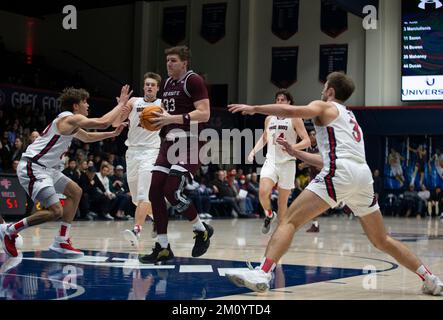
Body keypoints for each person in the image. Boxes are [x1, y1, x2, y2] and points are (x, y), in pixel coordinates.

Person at [225, 72, 443, 296]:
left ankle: (263, 273)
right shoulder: (349, 117)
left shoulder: (324, 106)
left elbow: (291, 111)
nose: (321, 91)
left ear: (330, 91)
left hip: (342, 173)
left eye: (325, 87)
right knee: (382, 239)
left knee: (288, 220)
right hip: (362, 176)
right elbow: (328, 158)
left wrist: (254, 108)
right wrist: (294, 152)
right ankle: (430, 279)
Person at [0, 85, 132, 257]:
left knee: (76, 192)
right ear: (75, 106)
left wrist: (112, 133)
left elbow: (88, 137)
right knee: (55, 211)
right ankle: (9, 230)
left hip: (47, 169)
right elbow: (102, 122)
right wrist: (121, 104)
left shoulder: (70, 124)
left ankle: (61, 240)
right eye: (85, 102)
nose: (88, 105)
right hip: (34, 167)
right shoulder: (68, 119)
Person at [138, 46, 213, 263]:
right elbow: (167, 114)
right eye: (167, 60)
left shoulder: (194, 80)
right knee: (154, 190)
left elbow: (204, 113)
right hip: (169, 142)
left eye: (173, 60)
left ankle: (201, 230)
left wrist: (170, 119)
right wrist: (152, 122)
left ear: (184, 62)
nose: (168, 64)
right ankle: (162, 247)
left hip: (192, 142)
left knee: (171, 190)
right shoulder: (169, 83)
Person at [248, 89, 310, 234]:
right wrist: (253, 151)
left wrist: (292, 147)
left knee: (282, 203)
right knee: (263, 192)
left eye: (283, 100)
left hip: (287, 163)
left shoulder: (295, 118)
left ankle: (280, 234)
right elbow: (264, 138)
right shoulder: (269, 118)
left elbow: (307, 141)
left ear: (289, 102)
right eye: (278, 100)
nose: (280, 102)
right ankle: (269, 214)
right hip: (271, 161)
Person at [115, 72, 163, 246]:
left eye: (153, 85)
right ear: (144, 87)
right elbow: (115, 123)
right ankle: (159, 218)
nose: (149, 87)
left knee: (143, 194)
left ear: (158, 88)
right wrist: (121, 109)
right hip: (132, 152)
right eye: (147, 84)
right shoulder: (133, 102)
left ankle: (137, 230)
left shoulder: (162, 105)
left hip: (151, 152)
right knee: (136, 199)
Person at [302, 129, 322, 233]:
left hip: (323, 176)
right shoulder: (308, 148)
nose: (313, 136)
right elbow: (308, 160)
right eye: (312, 134)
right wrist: (303, 164)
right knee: (312, 202)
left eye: (315, 134)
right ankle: (315, 224)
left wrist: (305, 163)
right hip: (313, 176)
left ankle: (342, 203)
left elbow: (319, 159)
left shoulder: (321, 146)